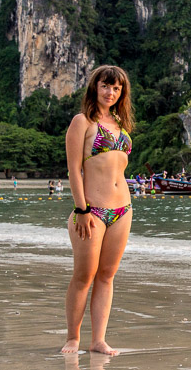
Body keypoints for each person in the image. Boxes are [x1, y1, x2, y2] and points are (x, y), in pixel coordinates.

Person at [62, 65, 135, 356]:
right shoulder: (82, 121)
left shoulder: (121, 123)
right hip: (91, 211)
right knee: (84, 275)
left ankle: (99, 340)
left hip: (123, 210)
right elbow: (74, 170)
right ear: (95, 87)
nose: (111, 92)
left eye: (117, 88)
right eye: (106, 86)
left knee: (107, 276)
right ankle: (73, 339)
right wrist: (81, 209)